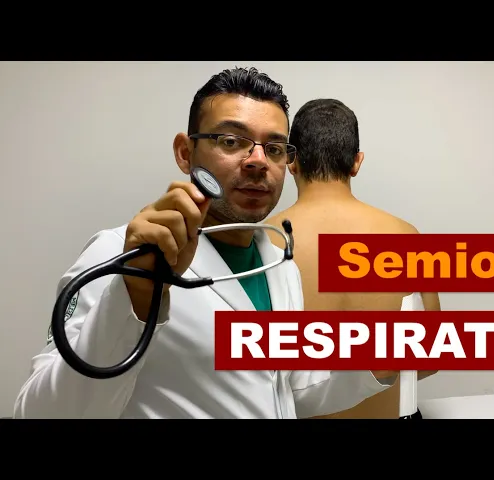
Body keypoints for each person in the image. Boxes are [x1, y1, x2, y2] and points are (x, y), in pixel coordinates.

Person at [13, 69, 400, 419]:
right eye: (231, 141)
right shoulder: (119, 256)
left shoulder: (279, 264)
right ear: (186, 153)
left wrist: (375, 363)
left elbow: (286, 389)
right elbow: (42, 412)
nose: (258, 161)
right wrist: (134, 297)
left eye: (275, 148)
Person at [265, 98, 441, 419]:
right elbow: (430, 360)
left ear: (291, 161)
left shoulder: (262, 242)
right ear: (356, 162)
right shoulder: (406, 237)